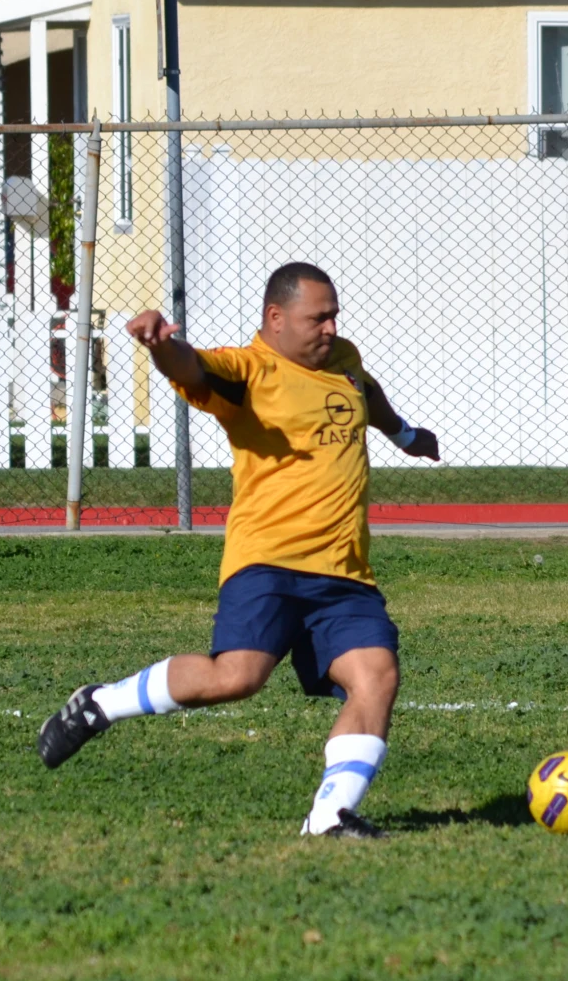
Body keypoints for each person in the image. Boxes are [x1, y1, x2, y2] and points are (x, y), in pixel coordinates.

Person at [37, 262, 440, 839]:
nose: (330, 328)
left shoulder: (342, 358)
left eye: (333, 316)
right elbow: (194, 368)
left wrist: (404, 435)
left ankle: (329, 817)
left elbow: (363, 392)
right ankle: (100, 704)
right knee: (237, 677)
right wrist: (161, 346)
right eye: (316, 318)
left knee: (376, 676)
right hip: (268, 562)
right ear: (275, 318)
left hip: (345, 572)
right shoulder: (248, 372)